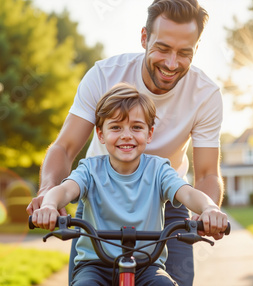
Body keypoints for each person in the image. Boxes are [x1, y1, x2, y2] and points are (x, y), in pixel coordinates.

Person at [27, 0, 224, 284]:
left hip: (166, 198)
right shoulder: (104, 75)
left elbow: (206, 174)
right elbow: (65, 147)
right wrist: (48, 195)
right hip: (99, 194)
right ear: (144, 37)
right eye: (163, 48)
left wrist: (207, 212)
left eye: (184, 53)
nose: (171, 63)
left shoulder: (205, 95)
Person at [31, 83, 228, 285]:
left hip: (147, 265)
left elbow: (187, 194)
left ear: (149, 134)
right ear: (100, 134)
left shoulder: (159, 170)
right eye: (116, 127)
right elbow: (64, 190)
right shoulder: (90, 170)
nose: (126, 135)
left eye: (136, 127)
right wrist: (48, 205)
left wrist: (209, 207)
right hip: (95, 265)